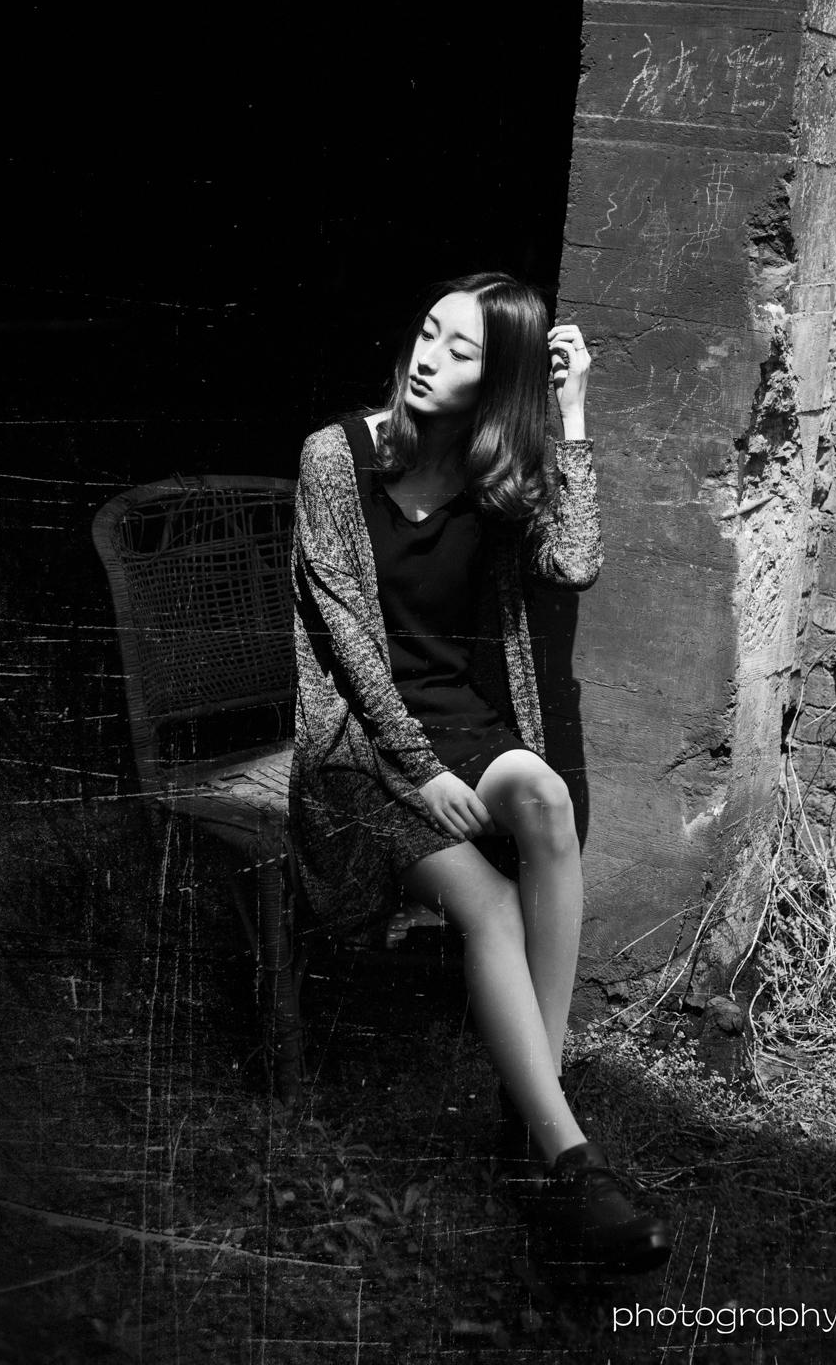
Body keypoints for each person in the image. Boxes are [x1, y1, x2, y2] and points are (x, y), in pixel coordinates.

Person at [290, 271, 670, 1271]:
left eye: (461, 351)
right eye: (428, 334)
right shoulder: (336, 457)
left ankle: (532, 1112)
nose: (428, 358)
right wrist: (419, 772)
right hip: (359, 746)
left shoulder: (495, 479)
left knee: (545, 798)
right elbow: (349, 644)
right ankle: (569, 1159)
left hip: (462, 725)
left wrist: (572, 412)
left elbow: (575, 562)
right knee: (492, 905)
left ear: (499, 380)